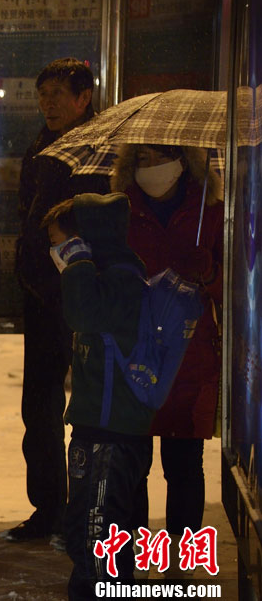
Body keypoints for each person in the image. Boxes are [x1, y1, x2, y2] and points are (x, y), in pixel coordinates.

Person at [7, 57, 109, 544]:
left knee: (90, 410)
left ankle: (90, 512)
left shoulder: (101, 148)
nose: (47, 104)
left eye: (57, 95)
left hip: (85, 297)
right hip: (42, 298)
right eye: (42, 95)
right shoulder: (40, 147)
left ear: (83, 98)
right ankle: (48, 506)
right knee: (39, 407)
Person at [110, 144, 224, 554]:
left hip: (188, 354)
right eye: (141, 160)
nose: (151, 168)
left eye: (159, 158)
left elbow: (235, 280)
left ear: (183, 162)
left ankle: (184, 553)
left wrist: (208, 271)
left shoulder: (210, 209)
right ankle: (135, 551)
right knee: (133, 462)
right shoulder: (119, 209)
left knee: (184, 465)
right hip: (137, 351)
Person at [41, 192, 155, 599]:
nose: (56, 251)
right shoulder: (113, 275)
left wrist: (78, 264)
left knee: (94, 531)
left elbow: (83, 315)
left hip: (109, 431)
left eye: (61, 242)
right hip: (103, 424)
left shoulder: (121, 277)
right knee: (102, 527)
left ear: (85, 240)